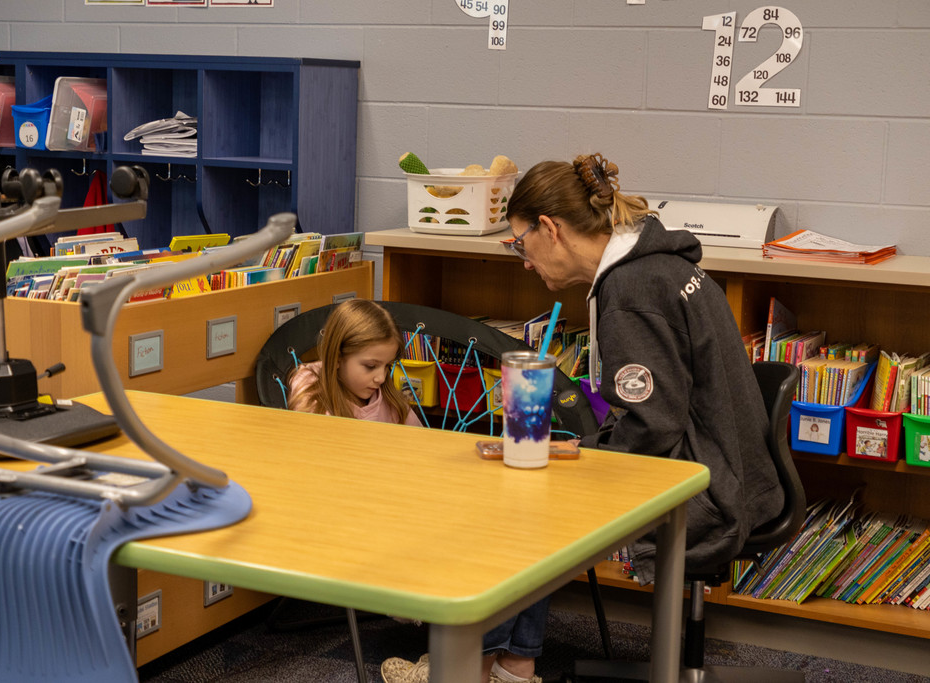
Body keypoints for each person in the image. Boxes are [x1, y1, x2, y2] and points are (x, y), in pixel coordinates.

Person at [381, 152, 784, 683]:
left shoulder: (630, 294)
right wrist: (578, 452)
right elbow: (660, 410)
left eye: (521, 243)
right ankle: (513, 664)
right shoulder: (661, 265)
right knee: (536, 476)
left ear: (551, 229)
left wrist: (580, 467)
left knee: (512, 506)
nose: (523, 260)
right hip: (735, 472)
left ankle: (470, 668)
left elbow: (654, 425)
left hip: (706, 490)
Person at [287, 298, 422, 427]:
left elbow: (421, 441)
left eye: (387, 366)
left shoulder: (391, 402)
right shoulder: (310, 385)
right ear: (337, 357)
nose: (381, 378)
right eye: (371, 366)